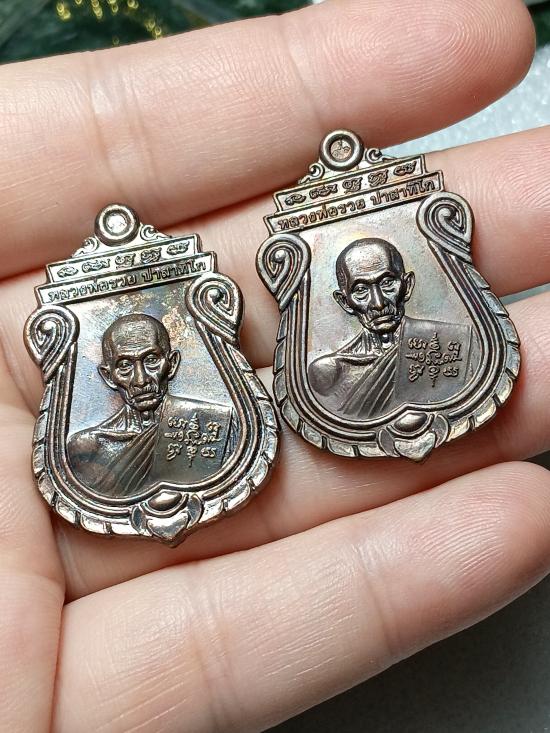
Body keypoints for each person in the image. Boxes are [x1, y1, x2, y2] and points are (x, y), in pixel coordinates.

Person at [2, 2, 550, 732]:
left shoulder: (437, 349)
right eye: (123, 367)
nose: (378, 301)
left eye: (389, 284)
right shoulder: (310, 381)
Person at [68, 313, 236, 496]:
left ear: (171, 364)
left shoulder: (214, 425)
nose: (141, 381)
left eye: (151, 360)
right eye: (124, 365)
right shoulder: (88, 447)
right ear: (108, 376)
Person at [308, 238, 474, 418]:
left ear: (407, 286)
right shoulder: (330, 372)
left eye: (387, 283)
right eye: (361, 290)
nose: (378, 303)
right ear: (345, 302)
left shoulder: (452, 344)